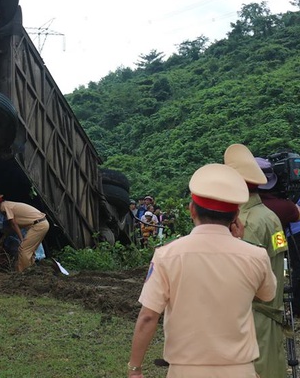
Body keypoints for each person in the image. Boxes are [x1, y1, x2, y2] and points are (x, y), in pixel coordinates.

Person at [128, 163, 276, 378]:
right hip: (240, 370)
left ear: (192, 209)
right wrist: (240, 243)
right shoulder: (256, 256)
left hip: (184, 371)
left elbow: (148, 317)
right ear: (236, 215)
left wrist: (135, 368)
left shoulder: (167, 255)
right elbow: (267, 295)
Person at [224, 144, 288, 378]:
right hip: (270, 312)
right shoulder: (270, 217)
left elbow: (243, 277)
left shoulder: (247, 221)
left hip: (254, 315)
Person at [256, 157, 300, 313]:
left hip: (279, 238)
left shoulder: (243, 206)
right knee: (283, 263)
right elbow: (296, 214)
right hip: (287, 236)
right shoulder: (285, 206)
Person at [0, 194, 49, 272]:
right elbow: (10, 228)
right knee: (30, 251)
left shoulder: (4, 207)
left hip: (38, 225)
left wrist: (21, 239)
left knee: (23, 249)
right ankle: (31, 271)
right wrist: (2, 239)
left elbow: (13, 224)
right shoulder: (8, 204)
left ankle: (23, 274)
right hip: (41, 223)